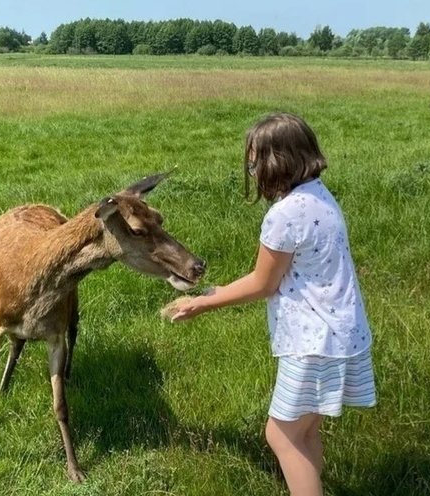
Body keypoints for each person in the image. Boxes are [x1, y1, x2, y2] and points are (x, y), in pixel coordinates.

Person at [166, 112, 376, 496]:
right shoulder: (319, 196)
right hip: (341, 332)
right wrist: (217, 291)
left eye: (253, 161)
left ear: (275, 161)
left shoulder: (284, 215)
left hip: (312, 342)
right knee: (305, 432)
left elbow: (263, 284)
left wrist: (200, 303)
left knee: (281, 435)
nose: (251, 168)